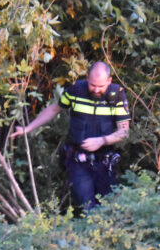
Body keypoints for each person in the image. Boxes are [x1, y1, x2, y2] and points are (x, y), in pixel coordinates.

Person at [10, 62, 130, 211]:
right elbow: (54, 110)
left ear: (109, 81)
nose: (97, 90)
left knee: (108, 209)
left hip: (105, 162)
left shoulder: (116, 94)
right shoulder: (75, 90)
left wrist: (101, 141)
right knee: (88, 208)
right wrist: (28, 128)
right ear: (87, 78)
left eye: (101, 86)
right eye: (93, 85)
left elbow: (124, 133)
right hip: (78, 160)